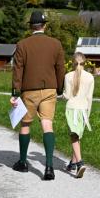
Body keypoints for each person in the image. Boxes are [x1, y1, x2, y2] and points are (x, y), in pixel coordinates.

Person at [10, 10, 65, 180]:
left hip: (29, 90)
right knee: (47, 125)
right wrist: (60, 88)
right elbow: (60, 68)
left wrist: (15, 92)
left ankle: (23, 162)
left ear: (30, 27)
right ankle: (49, 167)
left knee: (25, 125)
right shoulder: (56, 44)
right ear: (45, 25)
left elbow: (18, 70)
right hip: (49, 89)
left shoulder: (22, 45)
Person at [63, 51, 94, 178]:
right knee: (77, 136)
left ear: (72, 63)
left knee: (74, 136)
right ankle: (73, 163)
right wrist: (88, 113)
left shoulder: (68, 76)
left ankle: (80, 163)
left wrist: (58, 95)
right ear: (85, 63)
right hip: (83, 109)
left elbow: (67, 96)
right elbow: (89, 97)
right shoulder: (90, 77)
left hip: (72, 108)